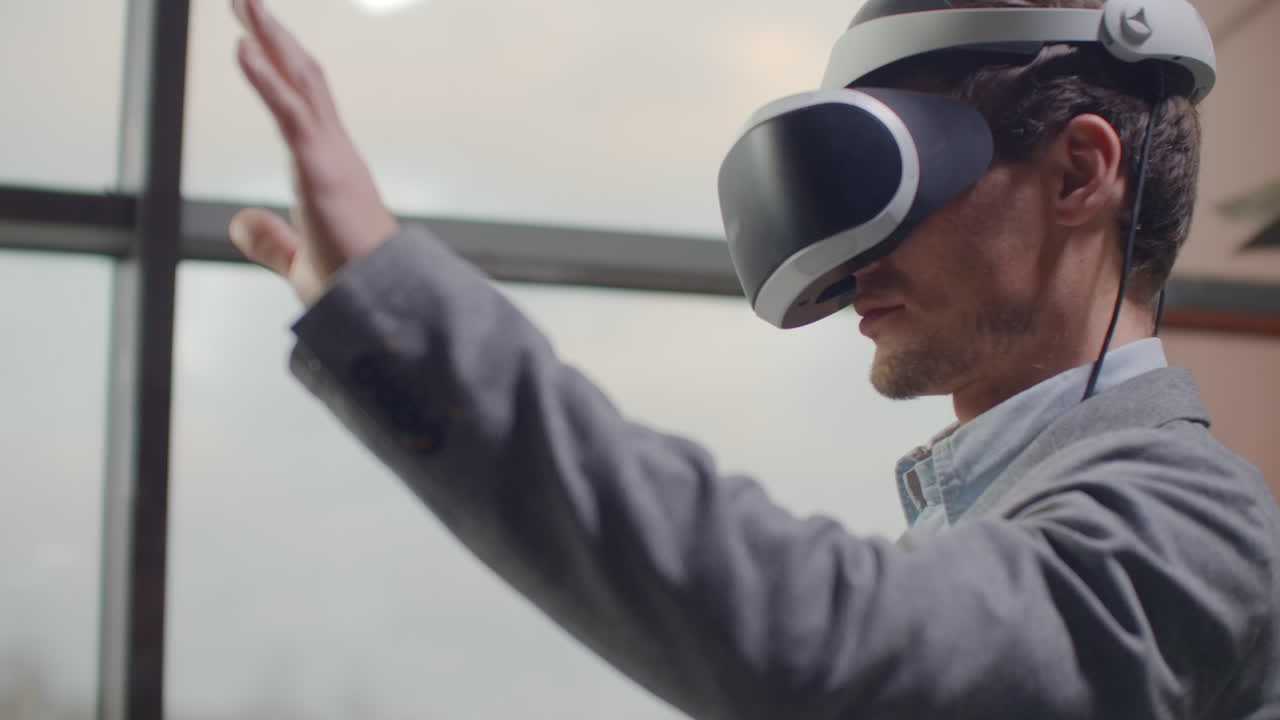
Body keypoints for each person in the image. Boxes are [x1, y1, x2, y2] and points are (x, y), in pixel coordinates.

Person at [226, 0, 1280, 716]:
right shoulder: (994, 524)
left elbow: (825, 646)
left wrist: (397, 309)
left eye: (893, 177)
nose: (851, 263)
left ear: (1078, 173)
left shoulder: (1194, 526)